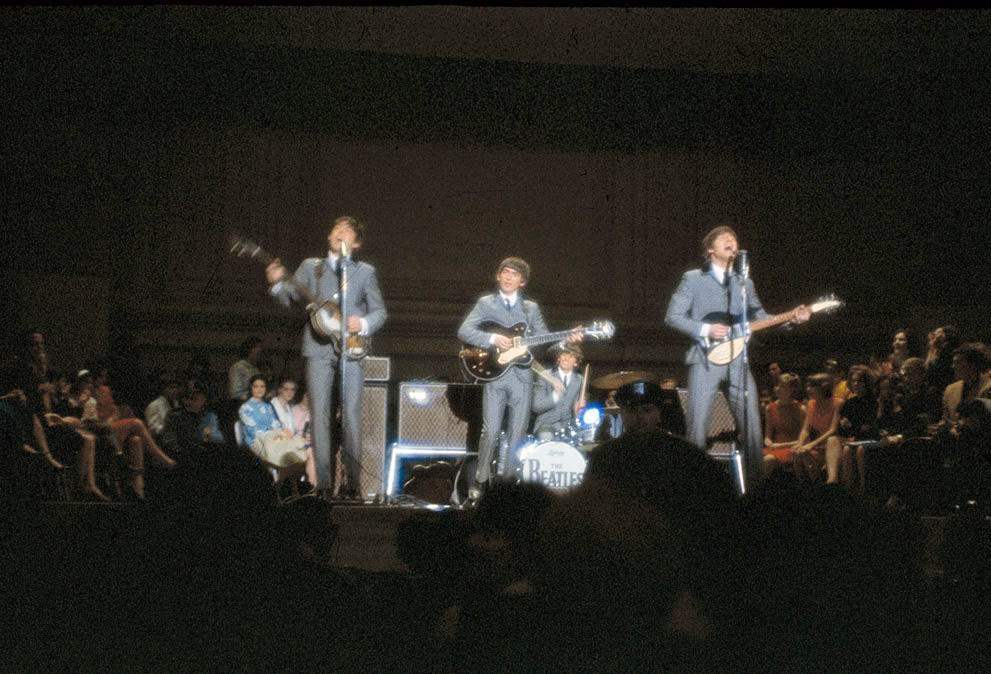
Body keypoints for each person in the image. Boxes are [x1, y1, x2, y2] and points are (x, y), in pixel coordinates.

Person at [664, 225, 810, 489]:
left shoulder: (744, 283)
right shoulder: (693, 279)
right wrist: (706, 328)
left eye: (734, 238)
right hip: (705, 358)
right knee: (697, 425)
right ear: (710, 250)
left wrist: (791, 319)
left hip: (737, 360)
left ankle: (755, 488)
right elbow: (672, 316)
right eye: (724, 238)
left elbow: (762, 319)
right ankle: (692, 488)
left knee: (752, 426)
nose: (732, 239)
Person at [264, 215, 386, 498]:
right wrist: (276, 285)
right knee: (320, 415)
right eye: (336, 229)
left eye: (348, 232)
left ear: (356, 243)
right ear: (329, 236)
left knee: (352, 415)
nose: (340, 233)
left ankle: (353, 485)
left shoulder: (364, 272)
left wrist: (363, 323)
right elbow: (289, 298)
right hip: (318, 348)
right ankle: (324, 485)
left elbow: (379, 311)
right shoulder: (311, 267)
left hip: (352, 348)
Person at [458, 256, 582, 503]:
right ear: (498, 276)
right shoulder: (486, 303)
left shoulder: (530, 308)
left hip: (522, 378)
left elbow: (544, 338)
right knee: (490, 431)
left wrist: (567, 340)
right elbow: (465, 331)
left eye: (514, 274)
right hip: (494, 376)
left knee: (517, 434)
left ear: (522, 282)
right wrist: (493, 339)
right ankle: (481, 480)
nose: (508, 276)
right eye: (505, 272)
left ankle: (505, 487)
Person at [530, 343, 584, 436]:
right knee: (547, 438)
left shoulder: (579, 379)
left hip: (568, 426)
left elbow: (576, 408)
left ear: (576, 362)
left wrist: (578, 410)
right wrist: (556, 394)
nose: (566, 359)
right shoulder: (545, 375)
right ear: (559, 358)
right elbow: (536, 406)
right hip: (546, 424)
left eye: (571, 356)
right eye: (564, 355)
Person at [614, 380, 687, 436]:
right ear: (622, 415)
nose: (640, 416)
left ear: (658, 414)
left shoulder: (679, 450)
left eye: (647, 410)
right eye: (632, 410)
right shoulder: (608, 452)